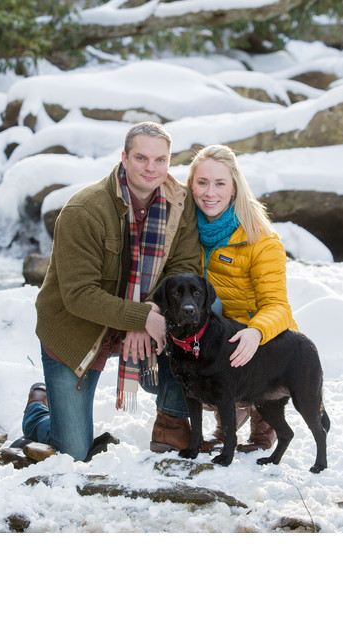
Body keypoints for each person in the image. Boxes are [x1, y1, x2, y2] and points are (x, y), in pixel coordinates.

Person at [19, 121, 201, 462]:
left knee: (205, 322)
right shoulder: (84, 210)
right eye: (141, 158)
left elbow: (183, 271)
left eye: (160, 160)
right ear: (124, 158)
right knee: (72, 450)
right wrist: (141, 316)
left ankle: (171, 422)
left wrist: (146, 315)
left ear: (169, 162)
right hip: (77, 330)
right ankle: (38, 410)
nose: (151, 168)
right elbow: (78, 295)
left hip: (145, 317)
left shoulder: (180, 206)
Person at [187, 144, 298, 452]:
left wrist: (257, 332)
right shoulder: (184, 232)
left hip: (255, 340)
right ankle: (230, 412)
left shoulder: (261, 240)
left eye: (220, 183)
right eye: (202, 182)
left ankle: (264, 419)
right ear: (191, 185)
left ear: (235, 187)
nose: (210, 193)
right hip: (216, 338)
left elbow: (278, 305)